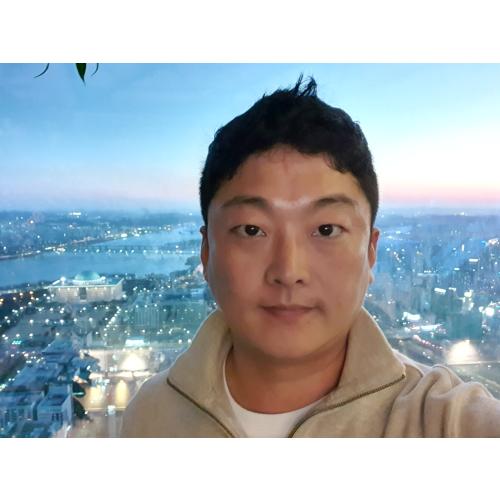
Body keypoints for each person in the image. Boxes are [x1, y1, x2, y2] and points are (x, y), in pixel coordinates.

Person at [121, 76, 500, 437]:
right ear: (206, 252)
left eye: (326, 229)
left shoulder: (442, 421)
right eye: (252, 230)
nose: (289, 271)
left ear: (370, 252)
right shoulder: (151, 416)